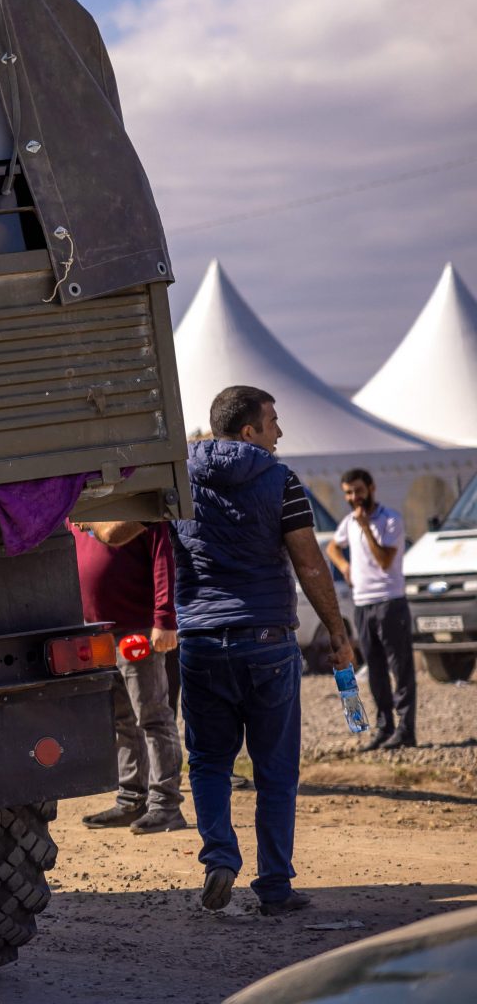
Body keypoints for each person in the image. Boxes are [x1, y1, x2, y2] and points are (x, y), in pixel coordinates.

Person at [173, 385, 354, 917]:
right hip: (268, 641)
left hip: (202, 642)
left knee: (207, 761)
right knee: (275, 768)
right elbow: (310, 564)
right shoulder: (281, 480)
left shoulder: (176, 479)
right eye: (273, 421)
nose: (280, 432)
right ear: (248, 430)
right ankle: (274, 886)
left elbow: (118, 532)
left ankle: (220, 858)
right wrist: (337, 634)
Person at [71, 518, 186, 834]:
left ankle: (165, 806)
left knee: (152, 718)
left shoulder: (136, 506)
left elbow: (164, 558)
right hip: (97, 634)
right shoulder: (77, 506)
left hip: (137, 629)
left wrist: (164, 619)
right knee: (122, 719)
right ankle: (131, 799)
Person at [326, 469, 415, 749]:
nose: (354, 498)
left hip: (390, 602)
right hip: (363, 603)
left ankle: (406, 729)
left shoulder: (390, 520)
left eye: (358, 491)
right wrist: (344, 566)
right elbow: (332, 546)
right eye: (349, 493)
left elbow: (385, 561)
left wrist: (366, 527)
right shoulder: (349, 522)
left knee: (400, 669)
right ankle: (384, 726)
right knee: (374, 669)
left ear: (371, 488)